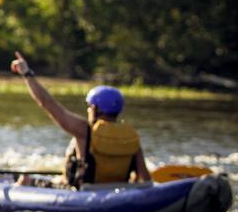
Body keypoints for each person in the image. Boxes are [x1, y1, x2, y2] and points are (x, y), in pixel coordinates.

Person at [9, 51, 151, 188]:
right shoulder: (131, 137)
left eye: (89, 107)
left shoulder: (85, 131)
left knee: (25, 179)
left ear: (96, 108)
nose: (88, 110)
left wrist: (27, 73)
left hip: (82, 192)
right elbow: (145, 179)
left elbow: (47, 103)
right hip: (117, 194)